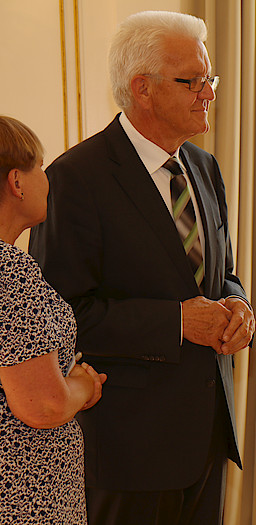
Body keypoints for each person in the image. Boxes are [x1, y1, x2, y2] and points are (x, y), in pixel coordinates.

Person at [28, 11, 255, 524]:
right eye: (192, 81)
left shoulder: (204, 167)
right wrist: (177, 322)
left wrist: (238, 304)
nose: (208, 94)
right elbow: (63, 318)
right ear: (143, 89)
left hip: (207, 438)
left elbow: (223, 274)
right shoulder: (75, 180)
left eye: (210, 79)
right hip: (129, 451)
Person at [0, 115, 107, 523]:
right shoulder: (9, 273)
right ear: (16, 182)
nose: (47, 180)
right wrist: (83, 385)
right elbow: (44, 405)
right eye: (40, 167)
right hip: (24, 498)